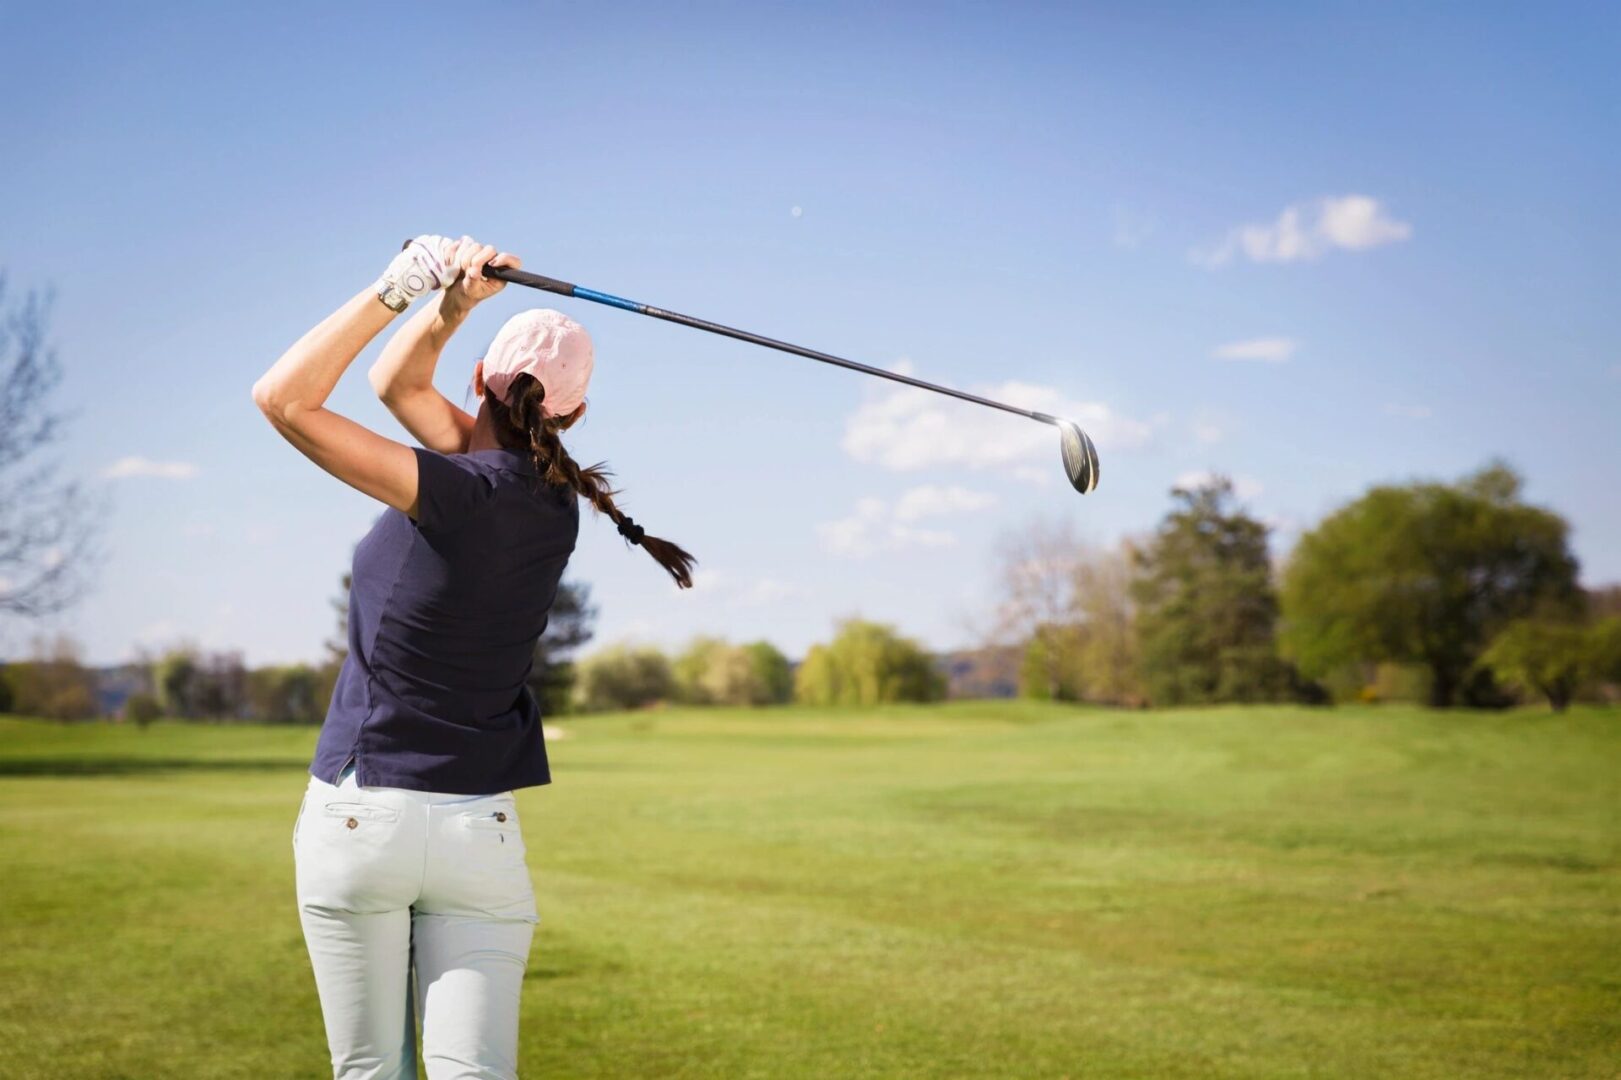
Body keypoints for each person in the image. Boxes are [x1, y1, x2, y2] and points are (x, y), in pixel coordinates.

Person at [253, 234, 695, 1079]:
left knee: (370, 1072)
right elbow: (397, 388)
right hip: (478, 833)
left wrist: (400, 288)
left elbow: (284, 399)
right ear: (571, 414)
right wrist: (450, 307)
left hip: (364, 815)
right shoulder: (554, 505)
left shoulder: (454, 488)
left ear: (481, 382)